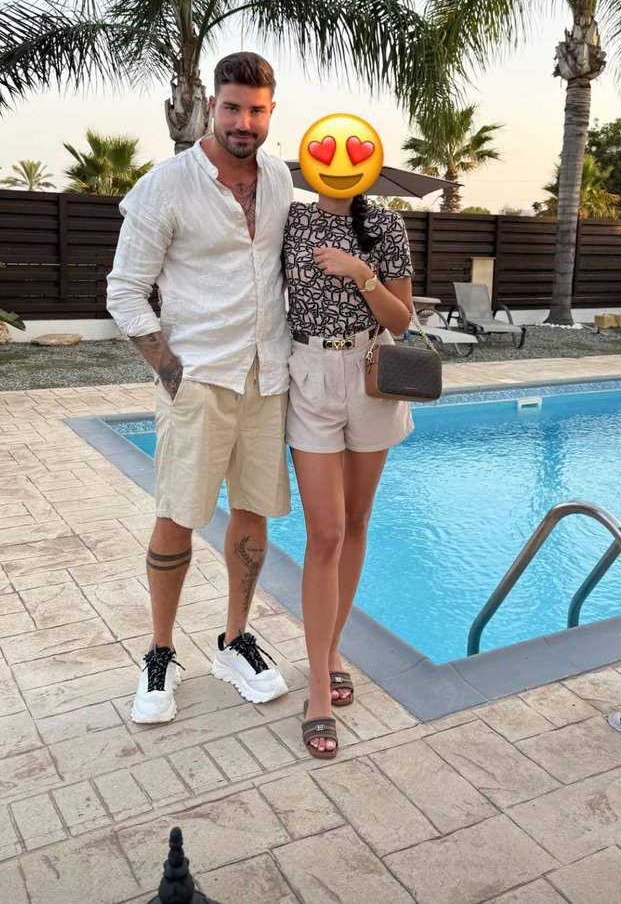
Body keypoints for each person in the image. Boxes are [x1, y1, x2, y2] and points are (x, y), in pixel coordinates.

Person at [107, 52, 294, 724]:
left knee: (252, 510)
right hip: (199, 379)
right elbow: (125, 291)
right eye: (232, 108)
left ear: (271, 111)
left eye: (256, 110)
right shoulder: (167, 185)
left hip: (267, 376)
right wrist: (170, 372)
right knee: (178, 513)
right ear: (212, 106)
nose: (244, 122)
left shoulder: (279, 178)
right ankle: (159, 651)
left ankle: (234, 640)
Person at [283, 190, 415, 758]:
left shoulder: (385, 222)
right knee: (326, 533)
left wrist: (362, 272)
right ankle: (317, 687)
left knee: (357, 521)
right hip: (308, 373)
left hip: (371, 372)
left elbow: (401, 320)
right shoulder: (289, 217)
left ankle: (333, 648)